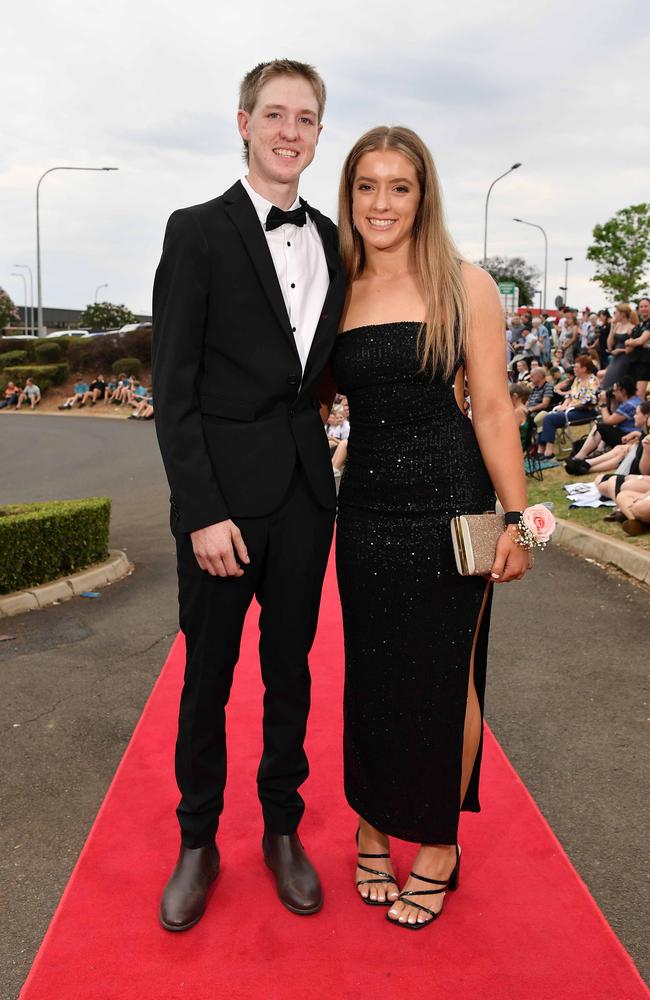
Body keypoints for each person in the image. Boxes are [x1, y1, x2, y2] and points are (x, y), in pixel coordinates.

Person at [152, 59, 345, 932]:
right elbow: (175, 388)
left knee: (290, 672)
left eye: (306, 118)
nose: (290, 132)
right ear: (243, 121)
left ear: (317, 131)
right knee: (208, 677)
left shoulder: (337, 240)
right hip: (222, 506)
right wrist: (199, 510)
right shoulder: (195, 231)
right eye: (275, 114)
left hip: (308, 495)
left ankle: (281, 830)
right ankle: (198, 841)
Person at [330, 126, 530, 930]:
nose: (382, 203)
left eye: (399, 186)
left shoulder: (463, 283)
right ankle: (373, 824)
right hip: (367, 510)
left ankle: (439, 846)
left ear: (423, 195)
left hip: (456, 508)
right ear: (350, 196)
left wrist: (517, 520)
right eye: (367, 186)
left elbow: (492, 409)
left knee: (452, 677)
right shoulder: (334, 289)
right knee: (373, 675)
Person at [565, 376, 641, 473]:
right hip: (626, 435)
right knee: (590, 436)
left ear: (623, 391)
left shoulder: (629, 405)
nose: (613, 393)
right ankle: (582, 460)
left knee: (600, 427)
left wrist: (603, 404)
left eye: (615, 391)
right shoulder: (633, 400)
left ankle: (580, 458)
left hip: (628, 437)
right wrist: (613, 401)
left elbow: (608, 421)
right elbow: (615, 416)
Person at [537, 355, 599, 459]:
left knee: (549, 418)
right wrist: (564, 405)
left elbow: (588, 400)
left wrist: (570, 406)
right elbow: (570, 395)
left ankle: (548, 452)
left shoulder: (592, 381)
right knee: (546, 416)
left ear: (584, 369)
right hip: (572, 410)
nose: (574, 369)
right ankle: (540, 450)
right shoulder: (577, 380)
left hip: (586, 411)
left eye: (576, 367)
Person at [601, 303, 636, 390]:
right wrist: (612, 327)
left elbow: (631, 348)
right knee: (608, 380)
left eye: (615, 312)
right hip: (615, 358)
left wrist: (619, 350)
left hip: (625, 358)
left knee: (616, 381)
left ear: (622, 314)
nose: (614, 315)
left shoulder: (631, 328)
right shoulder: (617, 326)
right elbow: (609, 345)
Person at [624, 296, 650, 399]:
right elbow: (628, 349)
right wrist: (631, 343)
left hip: (645, 362)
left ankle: (642, 414)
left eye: (646, 306)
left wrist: (629, 342)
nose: (643, 308)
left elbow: (641, 341)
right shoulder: (638, 326)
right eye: (641, 306)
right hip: (634, 361)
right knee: (632, 393)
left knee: (640, 394)